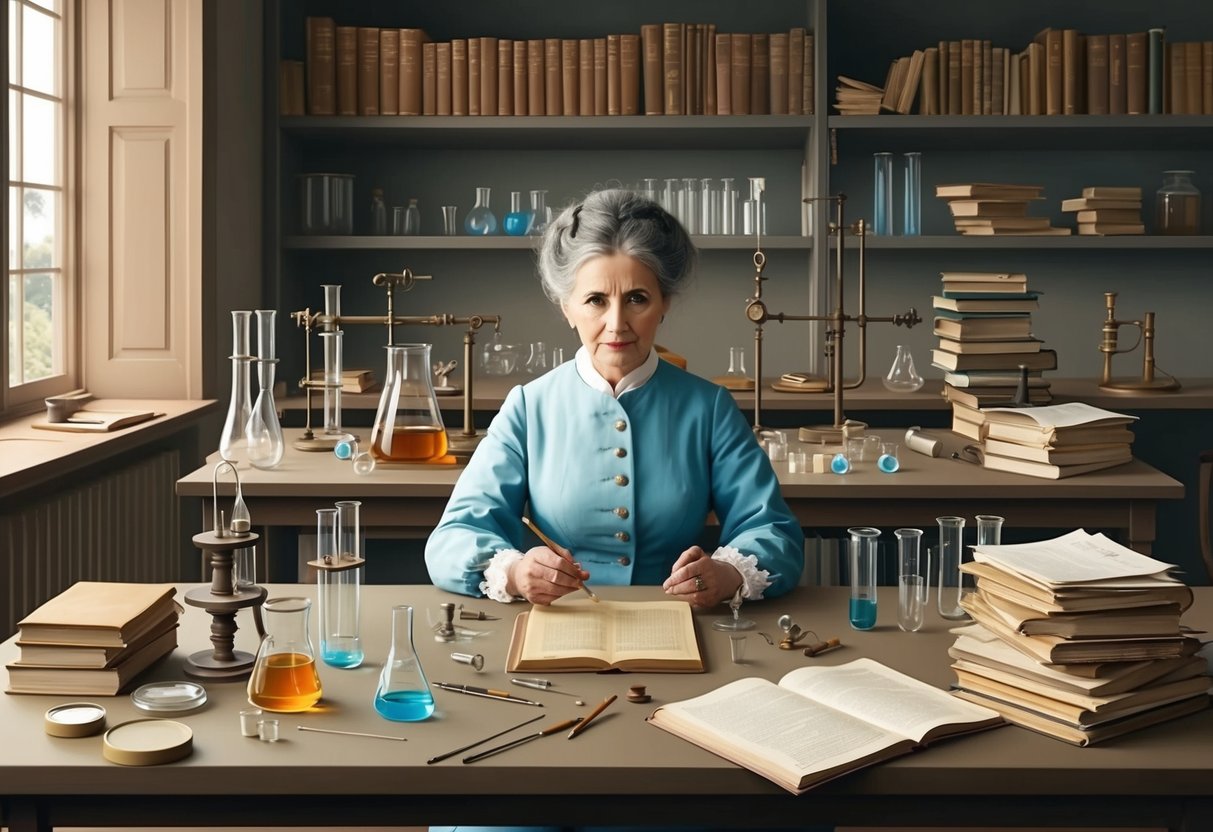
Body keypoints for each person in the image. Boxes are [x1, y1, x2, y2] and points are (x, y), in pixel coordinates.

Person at [424, 188, 803, 608]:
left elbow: (774, 531)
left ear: (665, 304)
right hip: (559, 631)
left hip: (678, 627)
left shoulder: (708, 408)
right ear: (567, 307)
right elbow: (450, 540)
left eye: (637, 298)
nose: (616, 323)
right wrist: (514, 572)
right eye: (595, 300)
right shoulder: (529, 407)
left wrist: (728, 574)